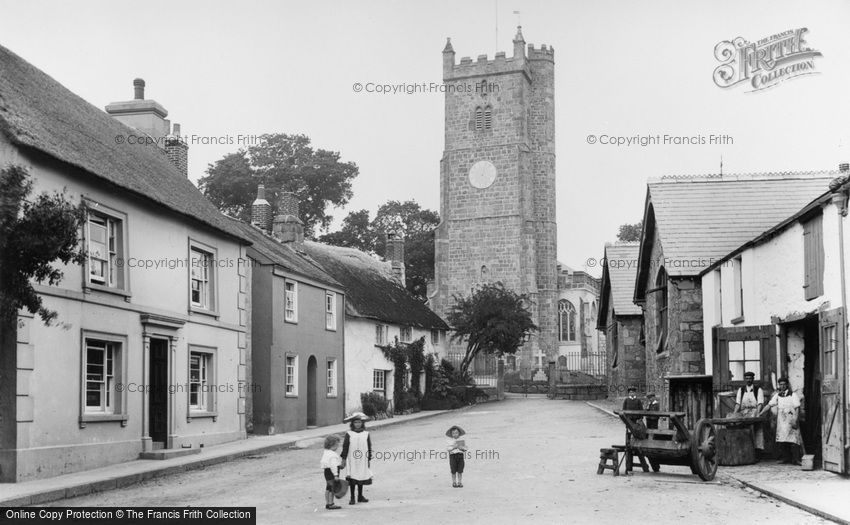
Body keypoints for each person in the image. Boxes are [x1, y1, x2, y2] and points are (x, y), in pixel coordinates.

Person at [759, 377, 801, 465]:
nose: (782, 386)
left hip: (791, 418)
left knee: (794, 440)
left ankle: (796, 459)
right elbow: (769, 405)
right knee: (782, 439)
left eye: (784, 384)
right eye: (780, 384)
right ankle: (786, 458)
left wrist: (795, 419)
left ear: (787, 385)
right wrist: (761, 413)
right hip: (782, 420)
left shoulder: (793, 395)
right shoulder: (777, 395)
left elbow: (797, 408)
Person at [340, 412, 373, 504]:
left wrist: (369, 458)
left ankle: (360, 496)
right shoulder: (349, 434)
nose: (358, 424)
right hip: (352, 460)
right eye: (355, 422)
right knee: (353, 478)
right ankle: (352, 497)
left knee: (361, 477)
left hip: (363, 459)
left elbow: (369, 446)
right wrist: (343, 459)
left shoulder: (366, 434)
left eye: (359, 422)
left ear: (362, 423)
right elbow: (345, 447)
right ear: (352, 424)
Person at [733, 371, 764, 450]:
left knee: (756, 431)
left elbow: (760, 403)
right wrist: (734, 414)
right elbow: (738, 404)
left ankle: (756, 451)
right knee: (744, 430)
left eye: (750, 378)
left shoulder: (758, 390)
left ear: (753, 379)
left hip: (754, 411)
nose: (748, 380)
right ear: (745, 379)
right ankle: (744, 449)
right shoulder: (741, 390)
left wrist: (757, 414)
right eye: (747, 379)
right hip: (744, 412)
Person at [320, 435, 343, 510]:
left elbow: (323, 462)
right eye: (337, 445)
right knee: (332, 489)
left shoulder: (326, 452)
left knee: (328, 488)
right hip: (332, 472)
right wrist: (336, 475)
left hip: (326, 472)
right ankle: (331, 503)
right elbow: (333, 466)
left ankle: (327, 503)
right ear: (332, 445)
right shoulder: (333, 455)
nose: (337, 447)